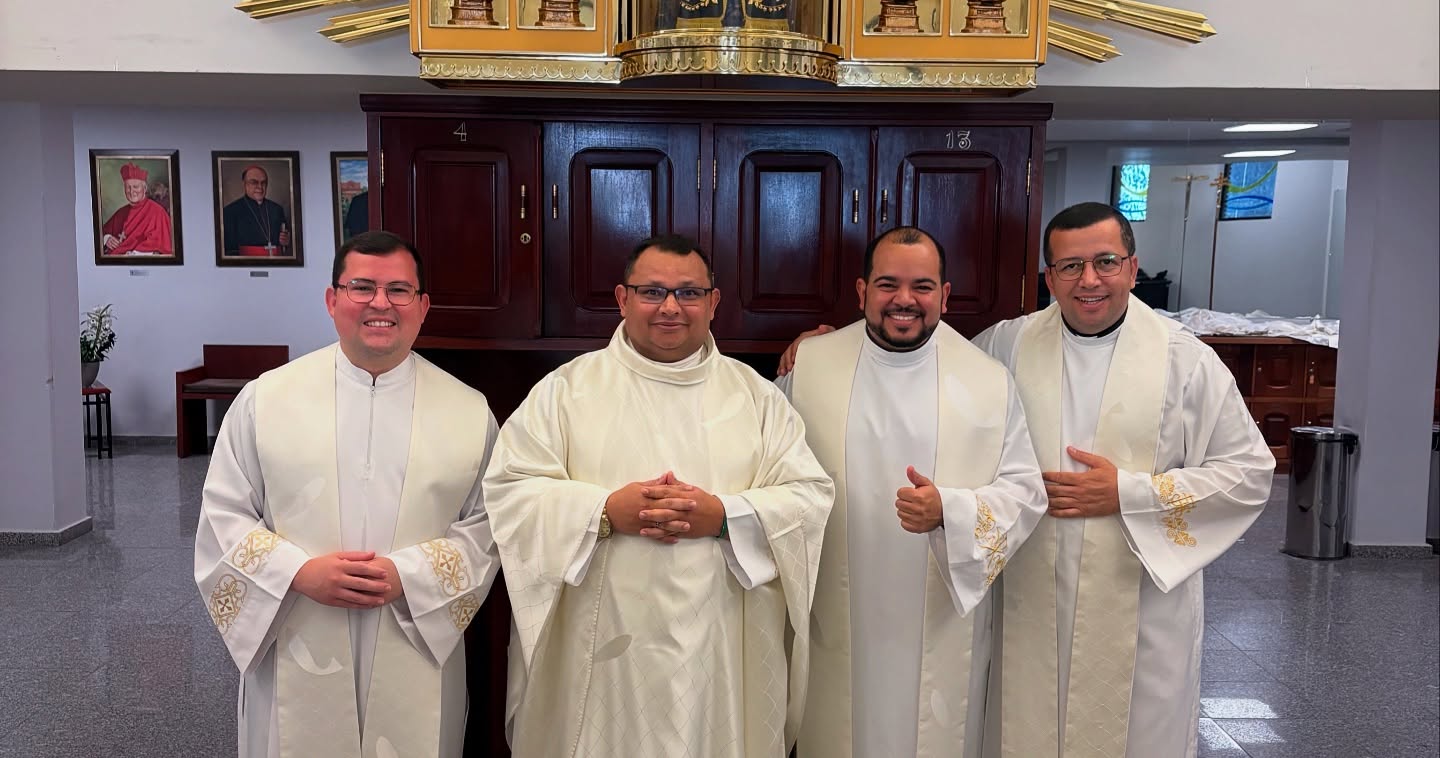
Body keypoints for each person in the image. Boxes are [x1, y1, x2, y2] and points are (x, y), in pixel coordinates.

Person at [778, 202, 1275, 758]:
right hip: (1029, 601)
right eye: (1070, 266)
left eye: (1105, 262)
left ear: (1133, 269)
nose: (1089, 280)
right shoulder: (1006, 345)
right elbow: (919, 362)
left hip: (1140, 605)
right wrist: (824, 349)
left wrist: (1130, 493)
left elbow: (1249, 474)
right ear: (1049, 277)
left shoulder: (1187, 361)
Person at [482, 234, 835, 757]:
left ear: (713, 302)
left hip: (720, 642)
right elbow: (511, 489)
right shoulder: (565, 391)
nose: (671, 307)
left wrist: (724, 517)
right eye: (652, 292)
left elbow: (809, 496)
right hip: (601, 646)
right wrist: (604, 512)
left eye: (689, 293)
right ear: (622, 299)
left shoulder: (756, 398)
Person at [194, 230, 500, 758]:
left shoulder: (469, 412)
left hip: (412, 627)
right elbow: (225, 512)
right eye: (362, 287)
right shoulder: (266, 400)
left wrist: (410, 576)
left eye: (399, 290)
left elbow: (488, 526)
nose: (381, 303)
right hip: (297, 621)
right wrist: (297, 572)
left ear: (423, 306)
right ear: (332, 300)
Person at [776, 226, 1047, 758]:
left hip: (941, 613)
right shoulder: (809, 368)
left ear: (944, 294)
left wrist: (952, 510)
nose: (904, 299)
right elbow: (769, 469)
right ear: (862, 291)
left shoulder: (988, 379)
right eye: (888, 284)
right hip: (835, 610)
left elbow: (1025, 491)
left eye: (922, 286)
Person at [100, 162, 173, 256]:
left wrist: (133, 255)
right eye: (128, 187)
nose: (131, 191)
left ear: (144, 188)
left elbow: (160, 245)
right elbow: (99, 233)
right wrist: (107, 238)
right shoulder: (121, 212)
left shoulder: (158, 212)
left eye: (135, 187)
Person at [222, 165, 292, 256]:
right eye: (254, 182)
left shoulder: (277, 209)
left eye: (263, 183)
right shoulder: (230, 212)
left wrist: (286, 242)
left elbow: (287, 245)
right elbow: (228, 252)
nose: (260, 187)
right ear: (244, 184)